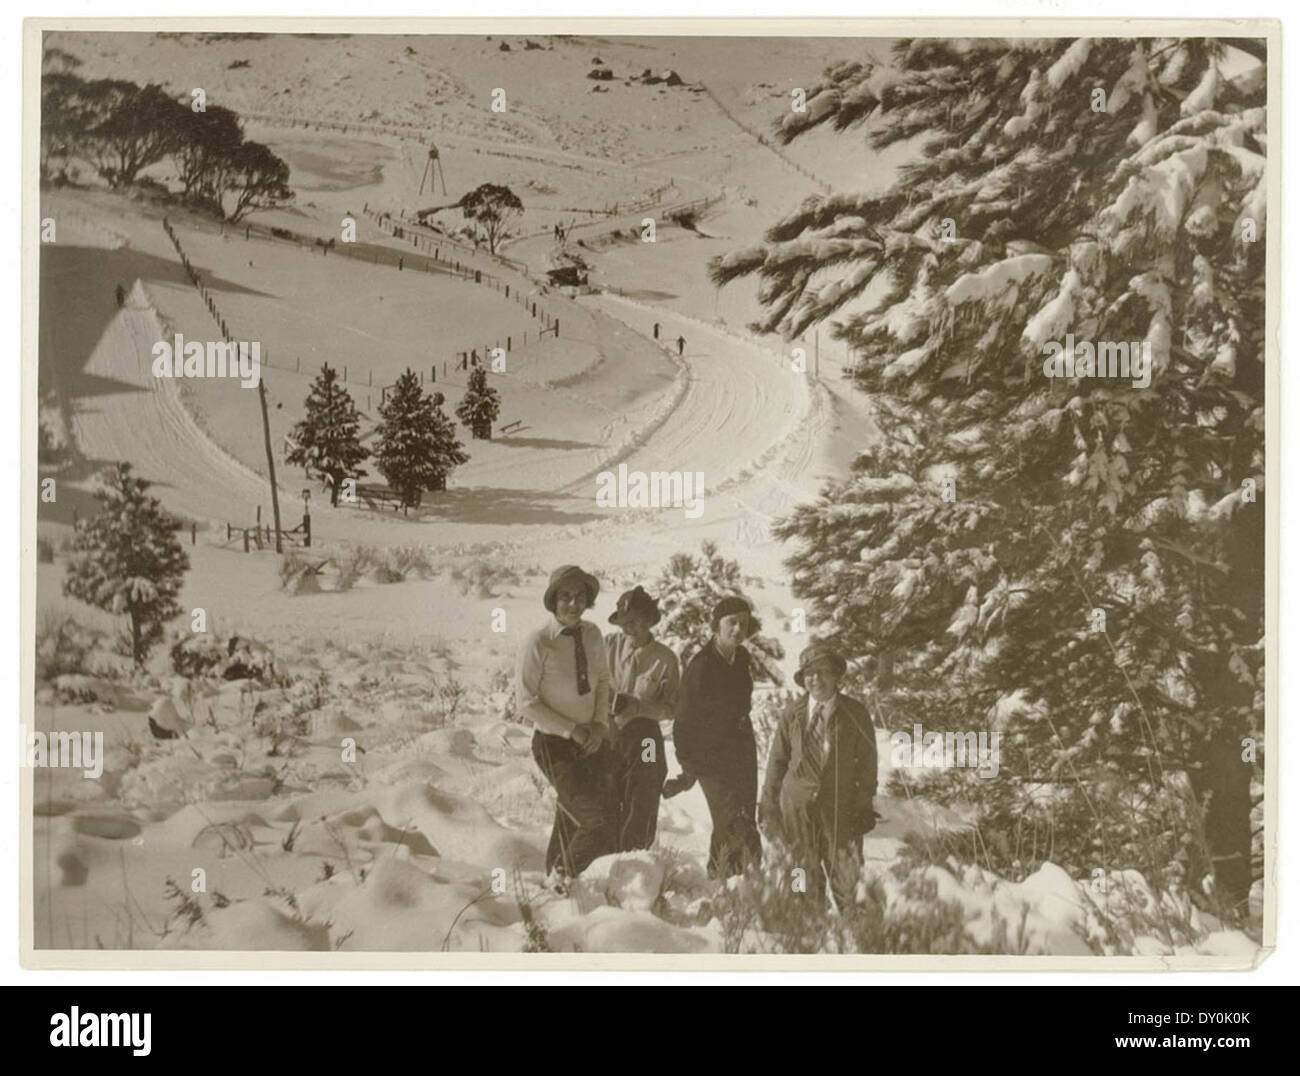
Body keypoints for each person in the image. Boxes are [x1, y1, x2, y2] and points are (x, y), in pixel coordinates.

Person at [760, 641, 878, 910]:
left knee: (848, 885)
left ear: (836, 675)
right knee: (800, 880)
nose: (816, 679)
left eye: (823, 671)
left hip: (840, 813)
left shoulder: (855, 713)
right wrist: (768, 804)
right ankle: (807, 932)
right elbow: (777, 762)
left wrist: (863, 805)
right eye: (810, 674)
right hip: (796, 812)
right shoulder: (792, 713)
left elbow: (868, 765)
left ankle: (857, 938)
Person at [517, 565, 614, 887]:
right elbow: (526, 702)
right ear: (553, 600)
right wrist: (572, 730)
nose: (573, 604)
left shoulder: (594, 634)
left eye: (580, 597)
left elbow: (602, 682)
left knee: (570, 816)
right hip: (553, 743)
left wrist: (599, 725)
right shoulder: (538, 642)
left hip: (591, 741)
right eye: (566, 597)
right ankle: (563, 876)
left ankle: (551, 885)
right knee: (597, 820)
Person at [669, 596, 762, 880]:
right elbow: (684, 720)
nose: (737, 629)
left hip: (742, 752)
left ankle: (734, 882)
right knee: (732, 821)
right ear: (716, 626)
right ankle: (728, 881)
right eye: (731, 622)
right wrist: (688, 767)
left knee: (742, 818)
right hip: (710, 757)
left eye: (743, 623)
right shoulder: (702, 666)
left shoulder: (742, 657)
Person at [605, 586, 680, 851]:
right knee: (608, 791)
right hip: (609, 735)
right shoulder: (608, 647)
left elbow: (671, 707)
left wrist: (639, 707)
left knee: (647, 780)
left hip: (645, 738)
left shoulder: (665, 659)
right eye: (625, 623)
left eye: (636, 622)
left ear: (649, 620)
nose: (629, 629)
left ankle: (635, 851)